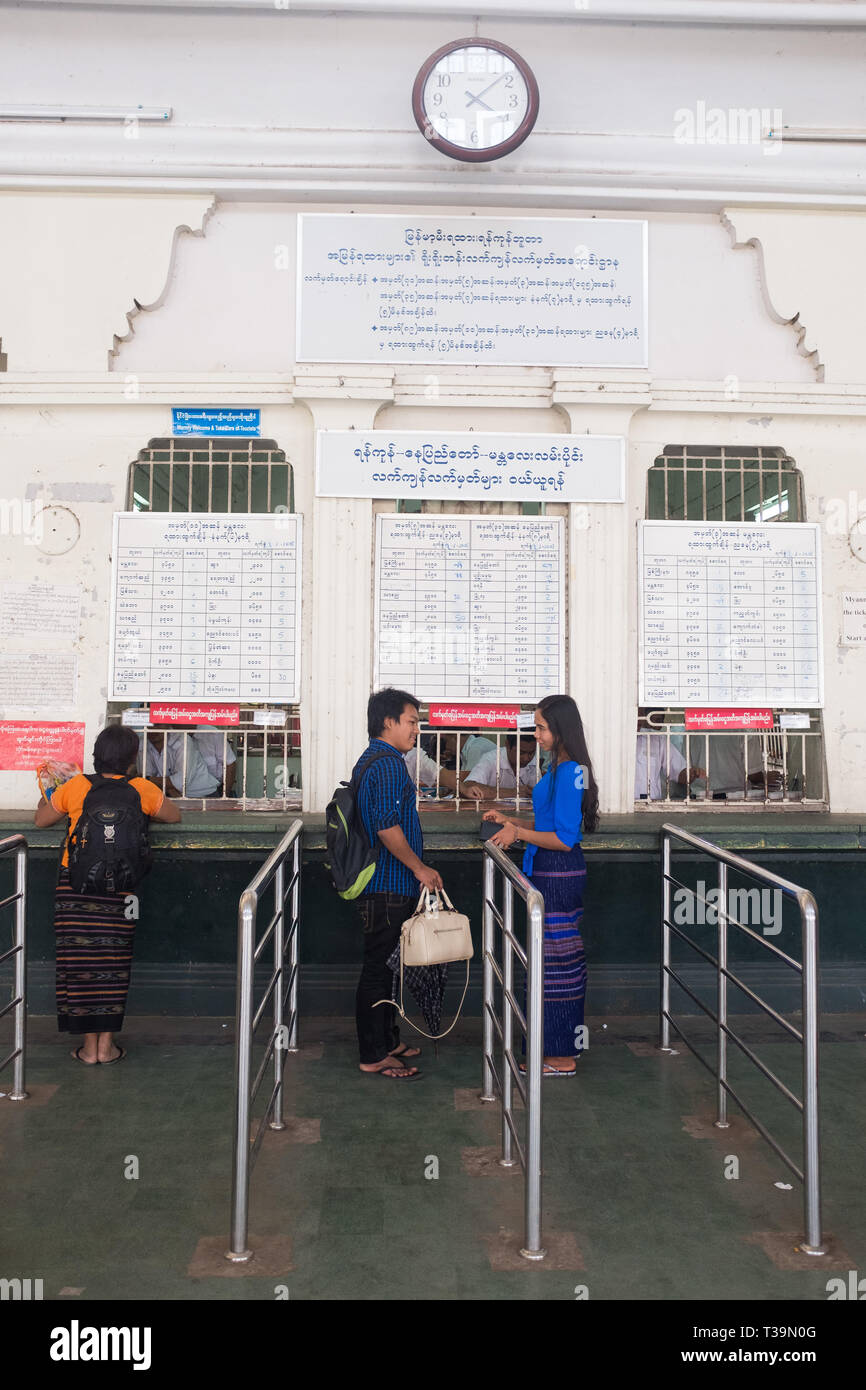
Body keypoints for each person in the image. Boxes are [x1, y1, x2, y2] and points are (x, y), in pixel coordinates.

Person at [34, 725, 181, 1066]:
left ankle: (88, 1049)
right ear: (132, 760)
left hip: (74, 889)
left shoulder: (78, 786)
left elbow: (41, 819)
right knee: (113, 966)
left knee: (81, 965)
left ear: (96, 756)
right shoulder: (141, 789)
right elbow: (175, 815)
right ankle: (107, 1047)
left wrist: (55, 786)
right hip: (121, 892)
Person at [483, 694, 598, 1077]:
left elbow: (565, 838)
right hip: (549, 869)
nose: (536, 734)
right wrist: (512, 821)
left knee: (558, 966)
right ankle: (549, 1050)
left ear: (562, 728)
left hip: (557, 871)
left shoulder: (569, 771)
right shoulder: (563, 767)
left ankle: (561, 1056)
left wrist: (518, 832)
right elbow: (549, 824)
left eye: (542, 727)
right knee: (549, 964)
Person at [353, 688, 443, 1081]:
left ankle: (388, 1041)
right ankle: (374, 1054)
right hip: (388, 884)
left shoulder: (371, 759)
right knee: (378, 970)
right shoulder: (388, 764)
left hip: (386, 884)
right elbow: (386, 827)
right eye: (411, 721)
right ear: (388, 721)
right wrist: (420, 868)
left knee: (389, 970)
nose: (417, 729)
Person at [635, 712, 706, 801]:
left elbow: (679, 771)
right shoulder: (613, 738)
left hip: (650, 804)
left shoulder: (656, 738)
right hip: (616, 804)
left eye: (639, 713)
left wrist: (692, 773)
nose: (637, 718)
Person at [463, 734, 540, 802]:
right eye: (521, 753)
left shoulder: (533, 762)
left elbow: (540, 794)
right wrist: (514, 792)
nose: (526, 758)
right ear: (507, 745)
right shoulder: (491, 759)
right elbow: (468, 786)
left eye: (531, 753)